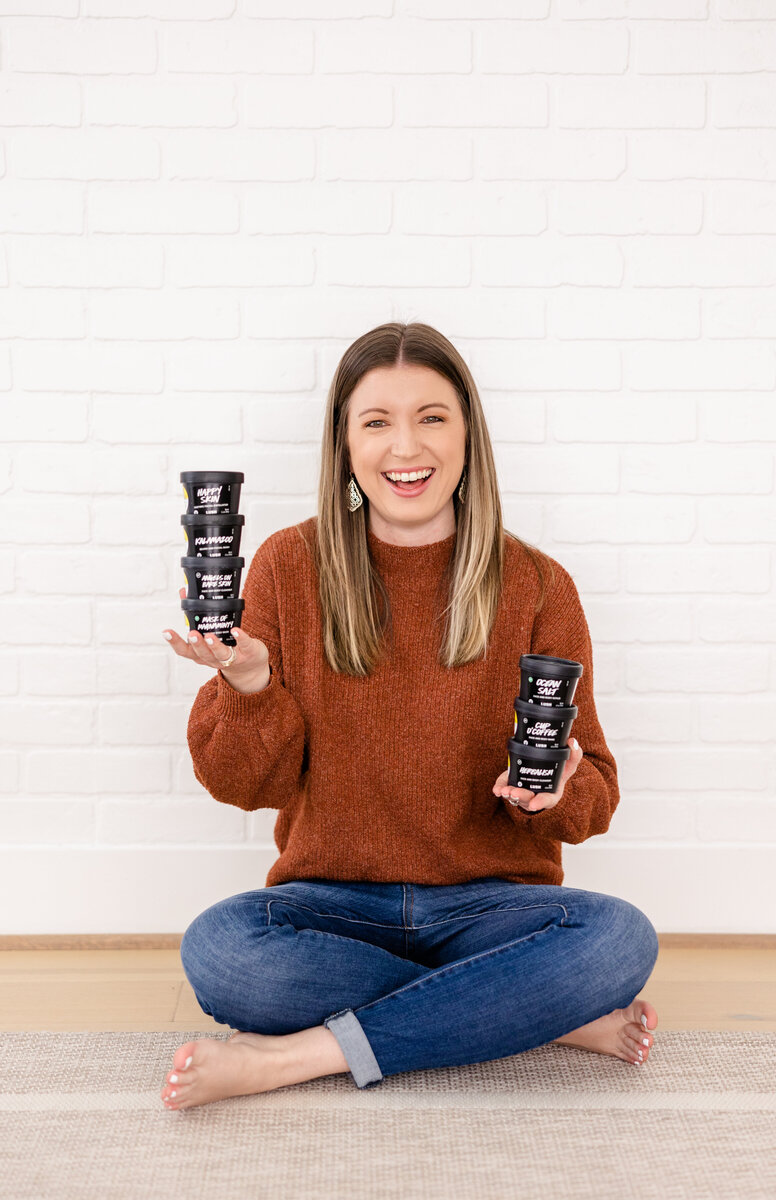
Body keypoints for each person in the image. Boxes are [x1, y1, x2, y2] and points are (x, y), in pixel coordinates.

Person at [159, 322, 659, 1111]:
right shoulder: (290, 566)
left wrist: (559, 790)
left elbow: (594, 793)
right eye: (377, 421)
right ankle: (533, 1016)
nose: (406, 447)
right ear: (345, 444)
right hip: (332, 901)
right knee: (222, 954)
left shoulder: (536, 583)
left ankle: (293, 1060)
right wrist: (250, 685)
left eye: (432, 417)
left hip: (490, 904)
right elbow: (242, 785)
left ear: (468, 435)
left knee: (620, 938)